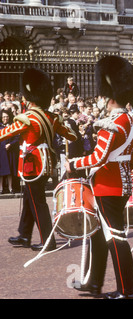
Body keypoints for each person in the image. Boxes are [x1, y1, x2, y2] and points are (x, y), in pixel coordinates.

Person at [66, 56, 133, 299]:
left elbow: (98, 157)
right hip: (122, 183)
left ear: (110, 96)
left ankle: (128, 290)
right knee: (98, 233)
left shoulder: (113, 124)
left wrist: (74, 163)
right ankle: (94, 282)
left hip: (109, 186)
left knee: (116, 237)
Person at [4, 68, 77, 251]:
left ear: (28, 98)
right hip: (47, 163)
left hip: (32, 165)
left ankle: (48, 240)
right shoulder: (52, 118)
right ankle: (24, 234)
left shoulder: (27, 118)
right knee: (30, 198)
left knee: (38, 203)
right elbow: (72, 136)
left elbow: (4, 133)